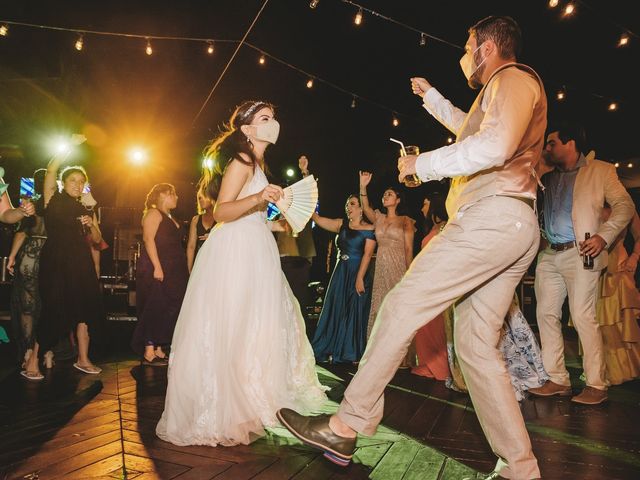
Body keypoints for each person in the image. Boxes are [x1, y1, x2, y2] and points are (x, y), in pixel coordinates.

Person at [278, 16, 547, 479]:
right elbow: (475, 132)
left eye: (468, 46)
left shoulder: (513, 77)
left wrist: (421, 165)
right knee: (477, 347)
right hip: (510, 224)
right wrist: (435, 100)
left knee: (401, 303)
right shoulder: (501, 90)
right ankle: (520, 470)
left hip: (490, 218)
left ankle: (347, 423)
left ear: (486, 48)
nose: (465, 56)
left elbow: (495, 144)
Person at [156, 101, 326, 447]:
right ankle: (228, 407)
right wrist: (258, 199)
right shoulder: (242, 161)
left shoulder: (259, 163)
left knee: (256, 323)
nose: (273, 122)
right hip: (235, 251)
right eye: (265, 118)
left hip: (257, 245)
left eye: (273, 117)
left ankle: (250, 398)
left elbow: (253, 214)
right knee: (235, 324)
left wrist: (280, 223)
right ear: (247, 129)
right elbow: (220, 211)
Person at [529, 122, 634, 405]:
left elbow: (625, 206)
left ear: (571, 143)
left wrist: (604, 236)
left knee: (583, 317)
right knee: (546, 315)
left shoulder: (600, 170)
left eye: (552, 143)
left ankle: (597, 385)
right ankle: (557, 379)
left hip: (582, 251)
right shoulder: (546, 173)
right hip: (548, 253)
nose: (547, 148)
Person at [23, 150, 104, 380]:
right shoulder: (52, 199)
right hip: (56, 261)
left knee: (84, 310)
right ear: (63, 182)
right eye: (73, 180)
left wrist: (91, 225)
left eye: (81, 182)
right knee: (53, 309)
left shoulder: (85, 208)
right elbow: (51, 169)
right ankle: (33, 360)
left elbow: (98, 240)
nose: (78, 185)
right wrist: (68, 145)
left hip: (80, 263)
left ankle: (83, 359)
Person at [359, 173, 416, 367]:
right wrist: (363, 187)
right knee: (380, 309)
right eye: (384, 194)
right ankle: (380, 355)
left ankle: (400, 357)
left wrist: (409, 274)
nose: (385, 196)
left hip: (398, 267)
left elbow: (409, 249)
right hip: (381, 267)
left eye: (389, 194)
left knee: (397, 310)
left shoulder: (406, 221)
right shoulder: (379, 218)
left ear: (398, 200)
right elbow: (365, 208)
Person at [311, 195, 376, 364]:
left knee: (353, 310)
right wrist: (307, 181)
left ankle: (350, 351)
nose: (349, 207)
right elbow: (317, 219)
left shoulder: (370, 229)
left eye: (353, 204)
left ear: (361, 209)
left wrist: (360, 278)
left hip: (357, 271)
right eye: (347, 204)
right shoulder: (341, 224)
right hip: (340, 271)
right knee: (336, 308)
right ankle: (329, 347)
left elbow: (368, 255)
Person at [131, 183, 189, 365]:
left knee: (170, 306)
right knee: (155, 305)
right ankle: (149, 349)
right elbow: (148, 239)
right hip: (158, 266)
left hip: (174, 268)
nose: (177, 197)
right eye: (174, 194)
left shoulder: (170, 216)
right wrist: (157, 266)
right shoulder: (153, 213)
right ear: (164, 195)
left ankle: (158, 347)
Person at [596, 208, 640, 385]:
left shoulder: (626, 207)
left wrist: (635, 257)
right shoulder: (592, 204)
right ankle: (600, 369)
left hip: (620, 267)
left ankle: (624, 369)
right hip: (595, 268)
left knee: (621, 323)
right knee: (598, 322)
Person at [6, 169, 41, 368]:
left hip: (35, 256)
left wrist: (12, 256)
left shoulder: (36, 202)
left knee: (30, 308)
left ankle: (32, 351)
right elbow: (22, 230)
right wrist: (11, 256)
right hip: (37, 257)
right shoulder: (38, 204)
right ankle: (39, 352)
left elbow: (22, 232)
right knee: (36, 307)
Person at [273, 156, 317, 310]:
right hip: (279, 263)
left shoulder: (300, 213)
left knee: (298, 304)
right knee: (281, 305)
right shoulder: (275, 217)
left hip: (299, 262)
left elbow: (310, 197)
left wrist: (305, 172)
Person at [186, 184, 215, 273]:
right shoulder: (196, 219)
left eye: (204, 197)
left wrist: (214, 237)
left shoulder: (221, 217)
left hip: (217, 259)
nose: (201, 200)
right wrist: (189, 269)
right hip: (200, 263)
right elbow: (191, 246)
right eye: (199, 198)